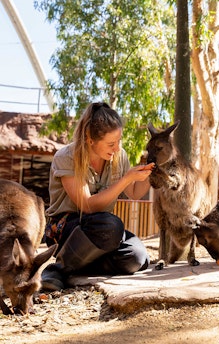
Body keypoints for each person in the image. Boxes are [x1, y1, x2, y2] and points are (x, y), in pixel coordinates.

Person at [41, 102, 155, 291]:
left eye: (119, 141)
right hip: (68, 228)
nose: (117, 148)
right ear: (90, 139)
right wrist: (127, 178)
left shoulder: (119, 156)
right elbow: (87, 206)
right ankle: (58, 269)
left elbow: (134, 192)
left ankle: (79, 267)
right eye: (111, 144)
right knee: (111, 225)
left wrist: (153, 172)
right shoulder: (67, 156)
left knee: (137, 257)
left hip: (103, 233)